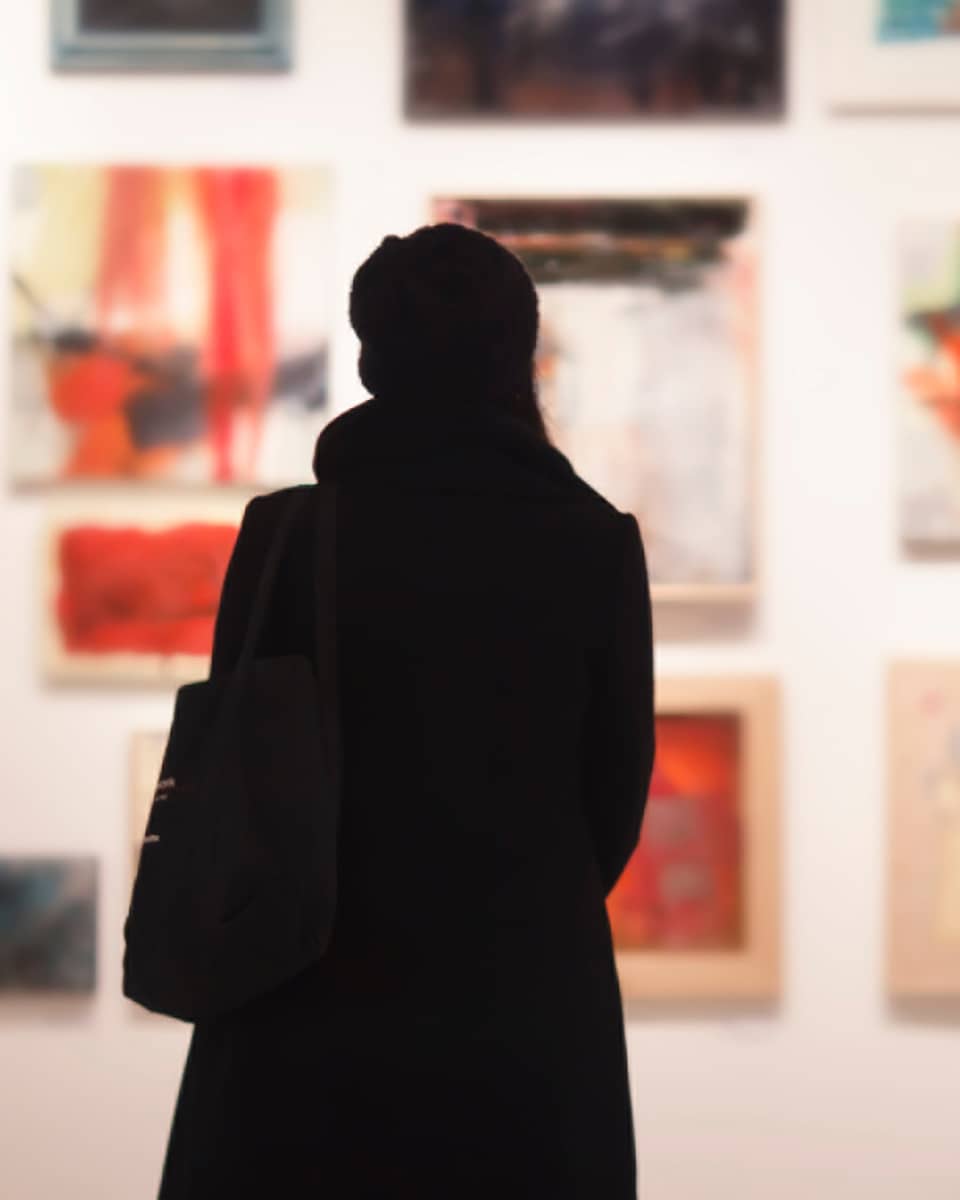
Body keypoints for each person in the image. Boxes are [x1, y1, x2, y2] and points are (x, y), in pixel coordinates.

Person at [156, 222, 656, 1199]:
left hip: (302, 1005)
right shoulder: (594, 544)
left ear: (370, 358)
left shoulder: (289, 534)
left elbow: (233, 774)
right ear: (519, 354)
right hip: (528, 1030)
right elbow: (614, 806)